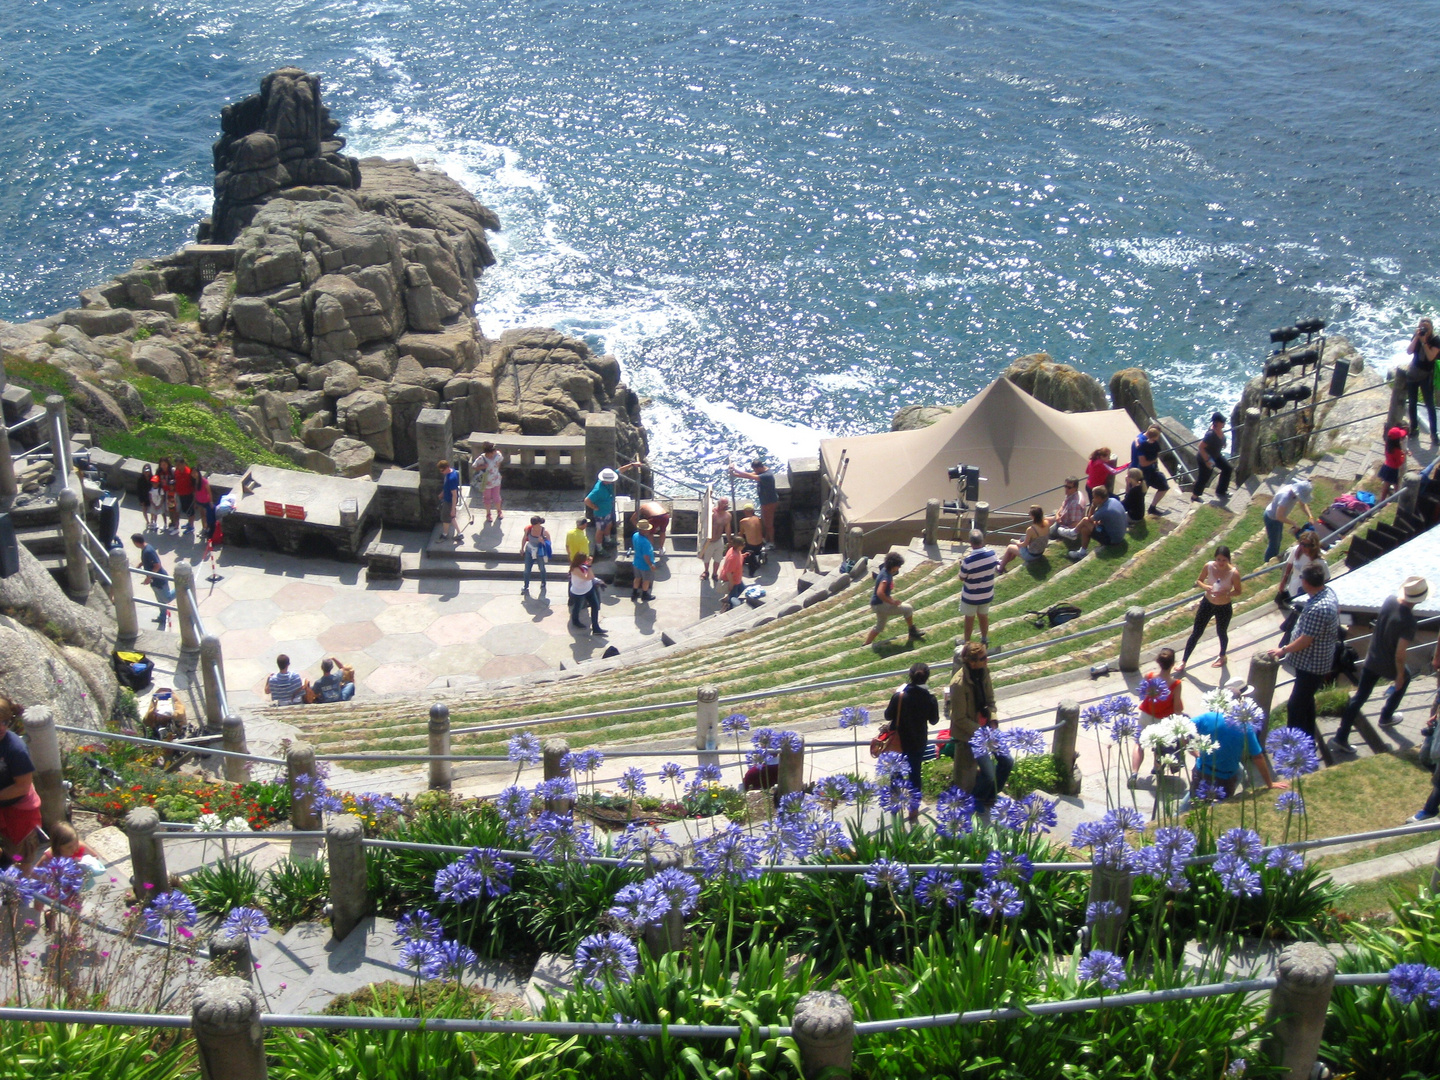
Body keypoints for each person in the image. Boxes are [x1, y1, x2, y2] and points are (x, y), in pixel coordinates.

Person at [1330, 576, 1427, 754]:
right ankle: (1386, 716)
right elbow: (1399, 654)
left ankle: (1340, 737)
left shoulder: (1389, 600)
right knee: (1404, 680)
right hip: (1387, 663)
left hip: (1372, 657)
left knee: (1359, 697)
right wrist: (1398, 676)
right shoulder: (1409, 622)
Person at [1270, 564, 1340, 745]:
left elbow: (1305, 640)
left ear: (1307, 583)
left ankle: (1294, 747)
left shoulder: (1318, 608)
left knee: (1295, 706)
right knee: (1306, 701)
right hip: (1313, 663)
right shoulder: (1327, 593)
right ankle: (1308, 740)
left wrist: (1283, 650)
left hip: (1312, 665)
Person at [1180, 702, 1287, 809]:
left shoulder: (1209, 717)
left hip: (1202, 770)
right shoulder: (1245, 727)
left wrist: (1192, 750)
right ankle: (1180, 812)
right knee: (1216, 806)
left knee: (1195, 798)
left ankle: (1179, 811)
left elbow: (1183, 729)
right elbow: (1258, 757)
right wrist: (1270, 784)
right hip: (1226, 777)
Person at [946, 642, 1010, 809]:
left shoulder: (984, 672)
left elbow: (990, 701)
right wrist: (982, 732)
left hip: (988, 728)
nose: (986, 660)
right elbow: (959, 718)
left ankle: (991, 795)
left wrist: (994, 720)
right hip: (973, 733)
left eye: (984, 657)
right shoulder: (958, 684)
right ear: (971, 661)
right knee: (988, 774)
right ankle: (978, 799)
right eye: (982, 659)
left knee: (1007, 761)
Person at [884, 662, 940, 823]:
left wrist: (897, 694)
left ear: (910, 676)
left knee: (896, 774)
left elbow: (888, 715)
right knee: (915, 774)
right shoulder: (930, 698)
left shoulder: (900, 695)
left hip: (898, 742)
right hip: (918, 741)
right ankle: (913, 811)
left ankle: (895, 808)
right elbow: (934, 720)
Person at [1176, 546, 1243, 675]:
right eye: (1218, 559)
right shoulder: (1209, 566)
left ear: (1228, 559)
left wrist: (1227, 593)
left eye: (1224, 560)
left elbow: (1238, 591)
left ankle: (1222, 655)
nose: (1221, 563)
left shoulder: (1233, 573)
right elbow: (1199, 580)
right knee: (1196, 632)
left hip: (1223, 606)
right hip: (1208, 603)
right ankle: (1184, 661)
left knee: (1221, 632)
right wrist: (1206, 587)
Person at [0, 696, 43, 873]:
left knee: (22, 854)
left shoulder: (15, 749)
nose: (2, 727)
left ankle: (20, 891)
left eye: (4, 722)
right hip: (3, 808)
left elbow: (22, 786)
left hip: (19, 812)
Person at [1131, 647, 1184, 781]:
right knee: (1159, 747)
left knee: (1139, 744)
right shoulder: (1176, 684)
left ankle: (1134, 773)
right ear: (1173, 664)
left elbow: (1142, 694)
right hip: (1163, 721)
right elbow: (1177, 708)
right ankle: (1158, 769)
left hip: (1145, 716)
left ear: (1158, 662)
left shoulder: (1149, 676)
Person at [864, 552, 925, 647]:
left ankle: (866, 644)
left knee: (880, 626)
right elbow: (880, 592)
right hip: (881, 605)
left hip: (877, 604)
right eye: (898, 566)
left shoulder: (885, 570)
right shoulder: (886, 577)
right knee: (908, 609)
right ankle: (912, 631)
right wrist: (892, 602)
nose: (899, 568)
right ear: (893, 566)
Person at [958, 529, 999, 646]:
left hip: (971, 596)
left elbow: (962, 578)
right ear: (982, 540)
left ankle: (966, 641)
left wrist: (960, 567)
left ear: (970, 543)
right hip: (986, 593)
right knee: (983, 616)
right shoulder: (992, 554)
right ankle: (984, 638)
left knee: (969, 618)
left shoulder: (968, 561)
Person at [1069, 487, 1129, 561]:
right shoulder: (1113, 500)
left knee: (1085, 521)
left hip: (1112, 539)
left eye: (1094, 497)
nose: (1093, 499)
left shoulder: (1104, 510)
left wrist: (1093, 506)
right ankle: (1082, 552)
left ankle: (1073, 533)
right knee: (1085, 529)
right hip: (1120, 534)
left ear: (1099, 498)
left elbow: (1089, 519)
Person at [1262, 479, 1316, 562]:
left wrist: (1310, 516)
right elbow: (1279, 516)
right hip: (1272, 519)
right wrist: (1293, 523)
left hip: (1277, 518)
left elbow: (1303, 505)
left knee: (1278, 539)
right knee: (1274, 542)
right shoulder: (1285, 497)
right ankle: (1268, 562)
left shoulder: (1295, 493)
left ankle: (1273, 558)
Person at [1406, 317, 1440, 444]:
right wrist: (1417, 337)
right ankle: (1414, 428)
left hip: (1426, 376)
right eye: (1422, 326)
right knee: (1412, 403)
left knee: (1430, 405)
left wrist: (1425, 342)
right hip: (1413, 374)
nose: (1424, 329)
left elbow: (1431, 357)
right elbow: (1409, 351)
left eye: (1426, 327)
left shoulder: (1435, 340)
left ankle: (1433, 433)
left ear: (1431, 327)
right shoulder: (1417, 335)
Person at [729, 459, 778, 544]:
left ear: (759, 468)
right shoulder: (763, 471)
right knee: (765, 522)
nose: (754, 471)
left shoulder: (767, 475)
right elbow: (750, 475)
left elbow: (750, 476)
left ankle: (772, 542)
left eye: (755, 469)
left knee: (769, 524)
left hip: (769, 502)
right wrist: (735, 475)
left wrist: (735, 469)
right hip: (765, 501)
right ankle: (767, 539)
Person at [131, 532, 173, 628]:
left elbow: (157, 565)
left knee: (167, 598)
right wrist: (140, 564)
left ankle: (180, 589)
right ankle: (162, 616)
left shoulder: (148, 551)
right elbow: (147, 560)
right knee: (160, 600)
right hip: (154, 581)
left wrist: (148, 577)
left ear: (136, 543)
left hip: (159, 579)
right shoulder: (145, 549)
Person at [1277, 529, 1328, 603]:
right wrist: (1283, 582)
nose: (1303, 547)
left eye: (1306, 545)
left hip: (1307, 596)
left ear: (1313, 546)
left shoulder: (1320, 562)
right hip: (1292, 588)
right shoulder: (1295, 551)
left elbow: (1326, 578)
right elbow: (1289, 566)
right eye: (1302, 544)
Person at [1130, 424, 1170, 515]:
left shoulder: (1141, 438)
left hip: (1151, 471)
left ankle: (1152, 508)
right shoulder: (1143, 443)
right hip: (1140, 474)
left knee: (1163, 487)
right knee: (1139, 495)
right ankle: (1134, 514)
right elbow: (1143, 463)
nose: (1158, 438)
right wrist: (1154, 460)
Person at [1192, 413, 1233, 502]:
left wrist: (1224, 443)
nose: (1224, 423)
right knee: (1205, 476)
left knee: (1228, 468)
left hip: (1216, 455)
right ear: (1216, 422)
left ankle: (1221, 491)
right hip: (1206, 457)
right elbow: (1201, 447)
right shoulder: (1210, 434)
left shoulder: (1219, 429)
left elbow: (1221, 437)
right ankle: (1195, 496)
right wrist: (1207, 460)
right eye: (1222, 421)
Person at [1000, 505, 1050, 572]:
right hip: (1040, 552)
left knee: (1010, 547)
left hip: (1031, 556)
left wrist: (1017, 543)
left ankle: (1000, 568)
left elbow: (1024, 544)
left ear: (1033, 516)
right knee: (1019, 542)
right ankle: (1005, 561)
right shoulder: (1046, 523)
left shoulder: (1031, 529)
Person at [567, 553, 606, 635]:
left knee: (595, 606)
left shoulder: (583, 565)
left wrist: (588, 565)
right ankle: (575, 621)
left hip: (589, 589)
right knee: (578, 607)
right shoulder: (575, 569)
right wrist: (589, 566)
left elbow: (591, 576)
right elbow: (588, 577)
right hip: (579, 592)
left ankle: (596, 627)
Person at [585, 468, 620, 548]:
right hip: (600, 514)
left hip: (607, 511)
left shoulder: (607, 480)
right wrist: (594, 507)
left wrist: (632, 465)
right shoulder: (598, 490)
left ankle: (608, 540)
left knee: (609, 524)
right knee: (600, 531)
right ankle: (599, 547)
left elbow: (619, 470)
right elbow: (587, 500)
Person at [472, 441, 505, 524]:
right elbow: (474, 467)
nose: (494, 453)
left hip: (496, 480)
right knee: (487, 498)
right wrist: (483, 466)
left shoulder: (497, 455)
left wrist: (497, 468)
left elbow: (500, 461)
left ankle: (499, 511)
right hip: (485, 482)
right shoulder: (481, 458)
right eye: (492, 452)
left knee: (496, 497)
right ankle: (488, 514)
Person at [700, 497, 730, 580]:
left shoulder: (727, 516)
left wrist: (730, 541)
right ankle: (706, 571)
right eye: (724, 504)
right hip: (709, 541)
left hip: (719, 540)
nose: (726, 506)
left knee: (718, 558)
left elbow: (727, 528)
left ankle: (715, 574)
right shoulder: (712, 513)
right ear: (719, 504)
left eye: (727, 504)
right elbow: (703, 523)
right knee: (706, 558)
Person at [1049, 476, 1085, 545]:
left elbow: (1076, 523)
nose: (1066, 489)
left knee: (1047, 531)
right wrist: (1057, 515)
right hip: (1062, 518)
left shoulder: (1075, 504)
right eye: (1065, 486)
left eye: (1069, 487)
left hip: (1064, 526)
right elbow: (1063, 505)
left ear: (1075, 488)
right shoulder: (1071, 494)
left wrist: (1062, 524)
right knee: (1048, 517)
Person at [521, 515, 550, 596]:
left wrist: (543, 541)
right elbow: (524, 538)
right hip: (529, 551)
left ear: (539, 523)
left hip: (539, 553)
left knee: (541, 568)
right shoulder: (528, 529)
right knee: (527, 570)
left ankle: (543, 583)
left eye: (535, 524)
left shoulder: (544, 532)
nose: (534, 526)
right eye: (532, 524)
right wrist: (522, 548)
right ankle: (525, 585)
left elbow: (549, 544)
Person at [1378, 425, 1407, 501]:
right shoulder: (1397, 450)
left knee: (1392, 483)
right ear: (1397, 440)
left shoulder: (1388, 444)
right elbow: (1399, 462)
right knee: (1390, 485)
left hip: (1386, 465)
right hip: (1393, 469)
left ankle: (1391, 497)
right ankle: (1384, 501)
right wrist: (1403, 455)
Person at [631, 519, 656, 602]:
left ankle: (634, 593)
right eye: (647, 529)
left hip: (636, 562)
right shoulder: (645, 542)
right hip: (645, 565)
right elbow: (646, 556)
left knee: (637, 578)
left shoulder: (635, 535)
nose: (649, 530)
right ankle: (645, 595)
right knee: (646, 580)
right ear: (643, 530)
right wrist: (650, 565)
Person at [718, 535, 746, 611]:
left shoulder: (735, 551)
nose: (744, 546)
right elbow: (728, 572)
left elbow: (738, 559)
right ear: (738, 546)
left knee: (742, 587)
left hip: (737, 578)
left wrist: (743, 556)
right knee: (734, 597)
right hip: (733, 580)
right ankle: (727, 608)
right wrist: (731, 583)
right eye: (742, 544)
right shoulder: (733, 557)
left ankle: (727, 598)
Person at [438, 459, 462, 542]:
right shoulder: (453, 471)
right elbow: (447, 487)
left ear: (447, 467)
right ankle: (459, 534)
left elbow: (454, 495)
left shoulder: (451, 479)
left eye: (443, 470)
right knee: (452, 517)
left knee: (445, 518)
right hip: (447, 498)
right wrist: (442, 493)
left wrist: (453, 509)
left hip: (449, 501)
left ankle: (444, 534)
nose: (442, 472)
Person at [738, 505, 766, 572]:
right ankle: (759, 555)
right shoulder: (759, 519)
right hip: (760, 544)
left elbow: (741, 534)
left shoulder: (743, 521)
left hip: (750, 546)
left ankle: (749, 559)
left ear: (745, 511)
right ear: (753, 511)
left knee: (740, 543)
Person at [173, 456, 196, 533]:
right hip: (180, 494)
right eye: (176, 465)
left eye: (178, 465)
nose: (177, 467)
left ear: (183, 464)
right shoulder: (177, 471)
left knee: (190, 511)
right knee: (186, 510)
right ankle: (189, 523)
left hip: (188, 495)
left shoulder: (189, 473)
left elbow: (194, 485)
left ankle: (191, 526)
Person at [156, 456, 178, 532]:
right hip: (162, 492)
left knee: (171, 508)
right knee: (163, 508)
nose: (163, 466)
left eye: (165, 464)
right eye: (161, 464)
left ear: (168, 464)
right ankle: (165, 523)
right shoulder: (159, 471)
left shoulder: (172, 471)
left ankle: (173, 522)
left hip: (170, 493)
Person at [194, 469, 215, 540]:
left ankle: (208, 530)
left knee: (207, 516)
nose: (194, 474)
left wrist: (211, 502)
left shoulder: (204, 481)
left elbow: (209, 492)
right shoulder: (194, 481)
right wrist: (195, 502)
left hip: (206, 501)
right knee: (202, 515)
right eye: (192, 473)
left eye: (195, 472)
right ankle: (204, 529)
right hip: (199, 501)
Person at [138, 463, 158, 529]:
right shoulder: (140, 479)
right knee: (144, 510)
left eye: (148, 471)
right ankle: (147, 522)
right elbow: (139, 490)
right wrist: (141, 500)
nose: (147, 472)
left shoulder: (153, 478)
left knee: (152, 510)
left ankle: (152, 521)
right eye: (145, 471)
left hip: (151, 497)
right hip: (144, 497)